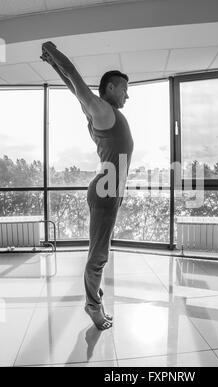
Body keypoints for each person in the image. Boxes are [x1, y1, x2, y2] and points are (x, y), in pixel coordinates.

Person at [41, 41, 134, 331]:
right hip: (106, 192)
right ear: (109, 88)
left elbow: (72, 88)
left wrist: (51, 64)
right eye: (124, 89)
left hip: (108, 191)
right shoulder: (103, 110)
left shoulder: (98, 111)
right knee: (98, 256)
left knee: (99, 253)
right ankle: (92, 306)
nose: (127, 96)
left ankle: (96, 302)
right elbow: (76, 79)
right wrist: (52, 51)